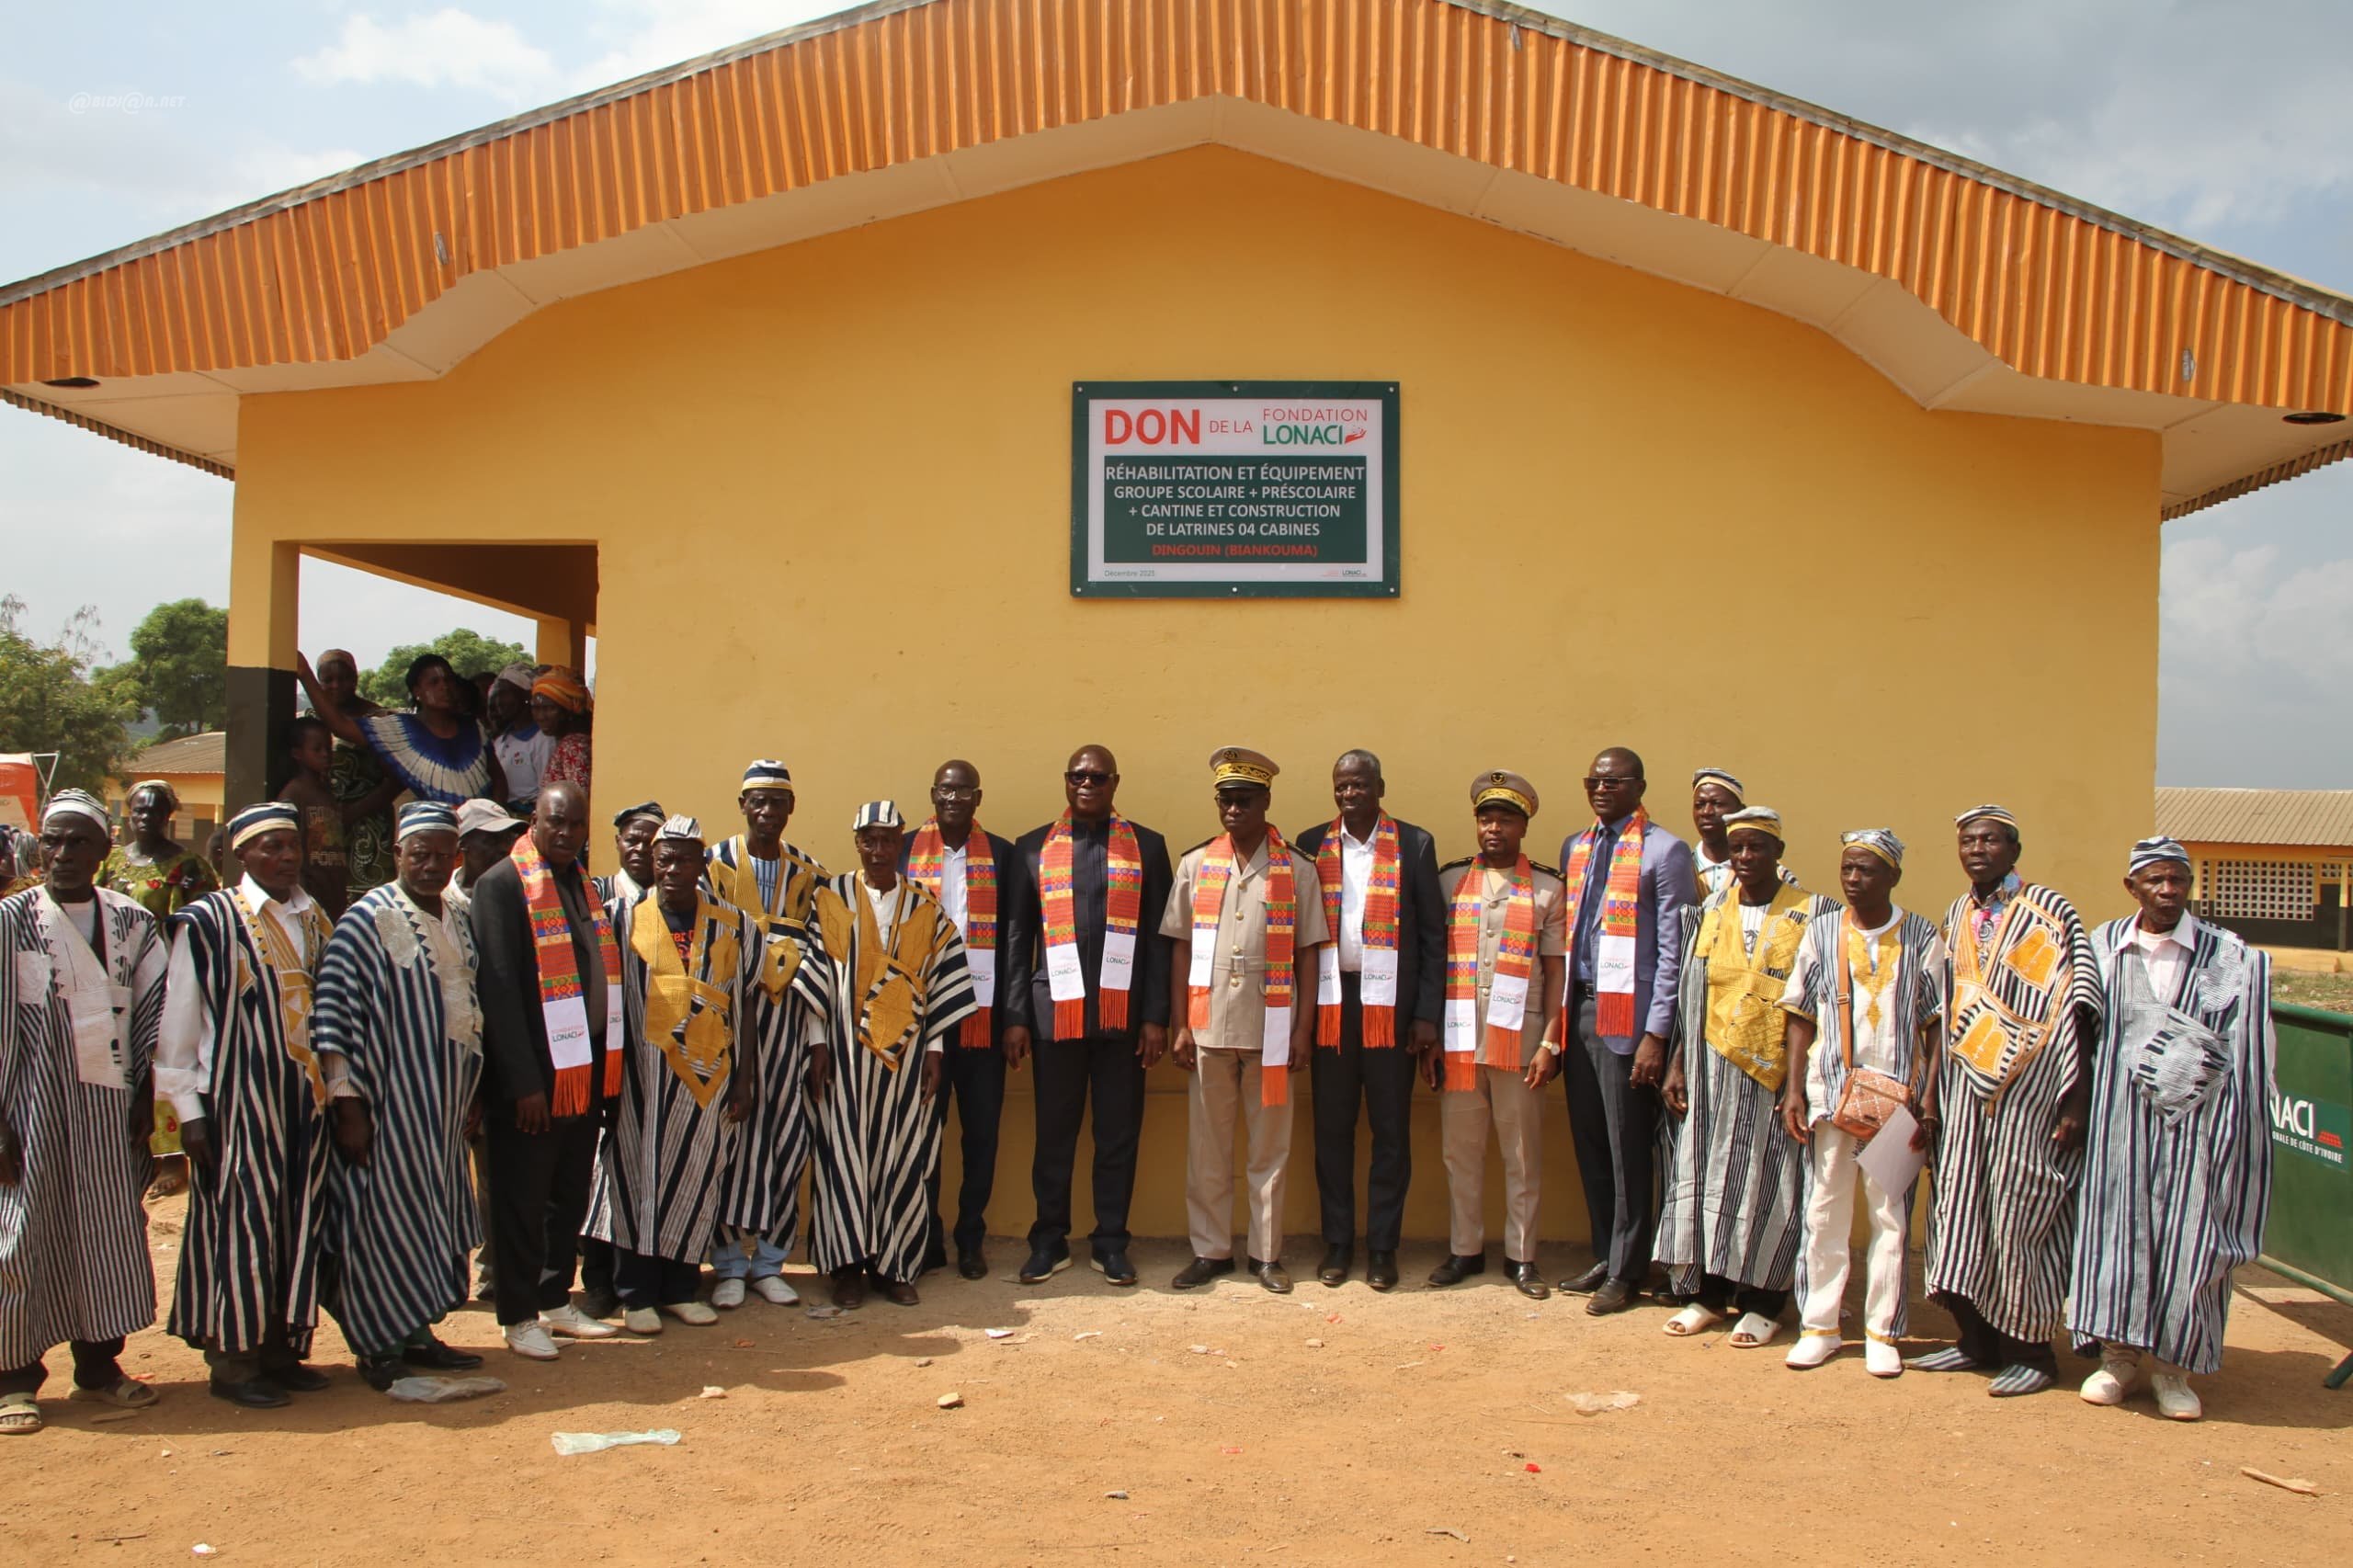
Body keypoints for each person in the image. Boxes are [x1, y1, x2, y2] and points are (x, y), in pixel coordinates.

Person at [2069, 837, 2275, 1421]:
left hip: (2197, 1129)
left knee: (2190, 1236)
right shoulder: (2103, 948)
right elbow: (2078, 1036)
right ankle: (2117, 1359)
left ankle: (2174, 1369)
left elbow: (2251, 1052)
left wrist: (2237, 1130)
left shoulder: (2232, 956)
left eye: (2177, 880)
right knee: (2117, 1234)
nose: (2168, 891)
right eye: (2155, 881)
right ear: (2132, 887)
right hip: (2118, 1125)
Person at [1913, 805, 2102, 1396]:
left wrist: (2075, 1100)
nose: (1977, 849)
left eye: (1991, 840)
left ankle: (2033, 1352)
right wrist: (1931, 1091)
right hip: (1967, 1091)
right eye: (1968, 840)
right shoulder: (1959, 913)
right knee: (1961, 1209)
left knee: (2024, 1213)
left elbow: (2082, 1006)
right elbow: (1943, 1010)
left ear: (2014, 851)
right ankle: (1976, 1341)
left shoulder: (2049, 910)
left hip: (2033, 1091)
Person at [0, 790, 170, 1435]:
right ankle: (14, 1377)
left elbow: (159, 1015)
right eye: (51, 841)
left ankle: (99, 1366)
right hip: (30, 1110)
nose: (62, 854)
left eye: (77, 842)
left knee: (106, 1231)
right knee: (22, 1237)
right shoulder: (10, 921)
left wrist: (146, 1100)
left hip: (109, 1111)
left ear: (104, 850)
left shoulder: (132, 923)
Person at [158, 802, 338, 1406]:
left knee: (296, 1222)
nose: (285, 857)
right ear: (242, 855)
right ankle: (234, 1361)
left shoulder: (313, 917)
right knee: (243, 1226)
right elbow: (180, 1027)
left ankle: (280, 1349)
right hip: (239, 1103)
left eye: (291, 846)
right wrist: (190, 1114)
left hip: (305, 1104)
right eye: (271, 848)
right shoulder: (207, 923)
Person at [311, 802, 490, 1392]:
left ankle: (417, 1332)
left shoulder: (458, 917)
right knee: (379, 1223)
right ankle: (378, 1344)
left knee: (428, 1219)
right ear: (397, 855)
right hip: (387, 1107)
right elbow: (336, 1011)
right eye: (421, 855)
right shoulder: (369, 919)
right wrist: (348, 1103)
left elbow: (467, 1009)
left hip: (440, 1109)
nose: (432, 866)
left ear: (456, 858)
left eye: (443, 856)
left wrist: (473, 1092)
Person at [1653, 807, 1835, 1348]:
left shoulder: (1814, 914)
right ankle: (1708, 1294)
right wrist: (1678, 1063)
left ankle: (1763, 1301)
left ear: (1779, 852)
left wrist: (1801, 1083)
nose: (1747, 858)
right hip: (1709, 1075)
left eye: (1757, 847)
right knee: (1705, 1176)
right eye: (1738, 849)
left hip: (1775, 1076)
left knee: (1768, 1182)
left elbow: (1818, 1002)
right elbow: (1692, 995)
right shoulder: (1709, 911)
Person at [1000, 744, 1174, 1288]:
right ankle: (1048, 1240)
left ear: (1115, 782)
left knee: (1117, 1135)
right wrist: (1016, 1016)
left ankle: (1111, 1242)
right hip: (1057, 1017)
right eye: (1077, 775)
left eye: (1097, 777)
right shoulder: (1033, 850)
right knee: (1054, 1133)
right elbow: (1017, 939)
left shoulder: (1147, 847)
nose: (1086, 784)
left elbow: (1159, 942)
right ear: (1065, 780)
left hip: (1123, 1022)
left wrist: (1155, 1016)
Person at [1776, 828, 1944, 1377]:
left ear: (1893, 876)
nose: (1853, 879)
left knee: (1889, 1216)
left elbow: (1935, 1026)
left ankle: (1882, 1332)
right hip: (1831, 1095)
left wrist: (1927, 1098)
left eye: (1867, 870)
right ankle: (1819, 1327)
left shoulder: (1921, 936)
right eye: (1847, 868)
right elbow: (1799, 1015)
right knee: (1825, 1208)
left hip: (1897, 1103)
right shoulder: (1823, 933)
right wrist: (1795, 1089)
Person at [1164, 748, 1328, 1295]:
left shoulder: (1297, 868)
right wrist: (1181, 1024)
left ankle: (1266, 1254)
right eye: (1225, 800)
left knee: (1268, 1148)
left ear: (1266, 802)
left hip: (1272, 1027)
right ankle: (1210, 1251)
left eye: (1244, 800)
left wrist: (1304, 1030)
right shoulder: (1195, 865)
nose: (1233, 810)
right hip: (1209, 1026)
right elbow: (1181, 948)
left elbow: (1309, 953)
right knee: (1207, 1148)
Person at [468, 781, 622, 1360]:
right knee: (521, 1199)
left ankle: (556, 1298)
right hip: (532, 1083)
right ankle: (517, 1313)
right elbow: (500, 993)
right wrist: (524, 1083)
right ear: (532, 821)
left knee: (566, 1196)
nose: (565, 833)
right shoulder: (503, 887)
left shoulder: (583, 888)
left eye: (576, 825)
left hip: (580, 1076)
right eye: (555, 822)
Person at [593, 816, 760, 1335]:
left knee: (695, 1177)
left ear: (701, 862)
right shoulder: (621, 917)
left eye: (683, 858)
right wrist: (606, 1079)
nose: (671, 869)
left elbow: (746, 1004)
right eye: (663, 858)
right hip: (640, 1079)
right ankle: (636, 1294)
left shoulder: (734, 923)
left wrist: (746, 1078)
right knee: (633, 1181)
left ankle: (682, 1288)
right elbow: (604, 1005)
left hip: (707, 1078)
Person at [806, 801, 977, 1308]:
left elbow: (941, 980)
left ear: (901, 842)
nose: (878, 850)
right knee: (842, 1158)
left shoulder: (925, 905)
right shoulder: (829, 897)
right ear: (856, 841)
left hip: (905, 1061)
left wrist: (936, 1049)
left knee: (904, 1157)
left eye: (888, 840)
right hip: (841, 1054)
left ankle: (895, 1265)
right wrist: (817, 1041)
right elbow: (816, 977)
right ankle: (846, 1269)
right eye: (869, 840)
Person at [1291, 751, 1445, 1291]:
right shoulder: (1311, 844)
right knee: (1331, 1129)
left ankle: (1382, 1247)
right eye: (1341, 786)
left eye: (1359, 785)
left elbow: (1432, 935)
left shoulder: (1414, 843)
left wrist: (1427, 1014)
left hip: (1393, 1012)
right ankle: (1337, 1244)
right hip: (1332, 1005)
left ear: (1380, 787)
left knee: (1390, 1130)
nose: (1349, 794)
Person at [1554, 746, 1697, 1313]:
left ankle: (1631, 1267)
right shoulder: (1577, 847)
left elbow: (1672, 953)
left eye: (1614, 781)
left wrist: (1656, 1035)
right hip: (1581, 1010)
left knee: (1627, 1149)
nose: (1602, 788)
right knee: (1590, 1142)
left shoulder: (1666, 852)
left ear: (1640, 785)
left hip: (1629, 1021)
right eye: (1594, 780)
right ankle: (1605, 1253)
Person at [1428, 772, 1566, 1298]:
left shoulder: (1549, 889)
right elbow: (1435, 966)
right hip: (1461, 1038)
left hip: (1522, 1039)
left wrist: (1551, 1041)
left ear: (1524, 825)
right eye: (1486, 818)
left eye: (1505, 819)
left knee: (1522, 1151)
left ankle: (1522, 1256)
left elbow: (1555, 971)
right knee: (1460, 1151)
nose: (1494, 828)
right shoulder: (1450, 882)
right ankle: (1464, 1249)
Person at [707, 761, 830, 1306]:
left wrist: (819, 1036)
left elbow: (830, 957)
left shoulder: (810, 873)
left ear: (791, 808)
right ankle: (729, 1264)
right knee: (727, 1144)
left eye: (777, 801)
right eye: (757, 800)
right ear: (742, 805)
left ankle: (772, 1261)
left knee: (787, 1139)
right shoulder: (711, 865)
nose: (766, 811)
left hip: (790, 1027)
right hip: (726, 1026)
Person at [901, 761, 1017, 1280]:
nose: (953, 797)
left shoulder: (1006, 856)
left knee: (982, 1134)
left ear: (978, 797)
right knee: (924, 1131)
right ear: (933, 794)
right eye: (945, 789)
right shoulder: (903, 851)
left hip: (982, 1019)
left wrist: (1014, 1018)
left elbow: (1018, 942)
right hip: (921, 1023)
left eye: (963, 790)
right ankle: (926, 1236)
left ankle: (971, 1237)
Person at [97, 778, 222, 1199]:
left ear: (169, 814)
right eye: (138, 810)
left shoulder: (187, 867)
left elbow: (194, 925)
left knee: (162, 1055)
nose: (145, 817)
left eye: (154, 810)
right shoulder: (111, 863)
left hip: (166, 977)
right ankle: (126, 1141)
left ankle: (169, 1156)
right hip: (114, 978)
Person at [296, 649, 506, 808]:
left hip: (483, 835)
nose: (445, 687)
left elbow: (497, 777)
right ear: (417, 691)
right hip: (437, 836)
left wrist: (493, 815)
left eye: (448, 680)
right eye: (434, 682)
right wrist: (305, 674)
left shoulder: (473, 727)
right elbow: (340, 727)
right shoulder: (400, 729)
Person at [312, 649, 401, 901]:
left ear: (356, 679)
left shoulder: (381, 720)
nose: (336, 685)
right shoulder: (311, 720)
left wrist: (352, 813)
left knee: (371, 906)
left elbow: (395, 781)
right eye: (327, 680)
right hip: (323, 826)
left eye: (344, 678)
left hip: (368, 825)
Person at [278, 715, 351, 919]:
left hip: (333, 890)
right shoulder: (293, 794)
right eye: (317, 749)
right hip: (310, 896)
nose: (326, 754)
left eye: (328, 748)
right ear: (297, 753)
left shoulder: (326, 792)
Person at [447, 799, 527, 922]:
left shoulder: (526, 889)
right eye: (492, 841)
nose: (505, 848)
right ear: (463, 844)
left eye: (508, 839)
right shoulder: (445, 897)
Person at [489, 665, 551, 818]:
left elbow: (547, 790)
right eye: (497, 695)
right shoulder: (501, 740)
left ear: (525, 696)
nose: (498, 701)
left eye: (504, 694)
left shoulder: (542, 739)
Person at [531, 668, 593, 801]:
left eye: (549, 708)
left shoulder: (574, 747)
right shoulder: (567, 743)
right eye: (535, 708)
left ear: (568, 710)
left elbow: (578, 801)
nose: (541, 716)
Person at [1688, 767, 1745, 901]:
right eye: (1699, 805)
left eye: (1717, 804)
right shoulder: (1679, 869)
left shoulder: (1769, 872)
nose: (1706, 812)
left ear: (1741, 811)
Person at [595, 801, 665, 907]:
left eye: (650, 843)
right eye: (632, 841)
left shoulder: (672, 897)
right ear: (618, 842)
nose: (640, 849)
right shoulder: (596, 892)